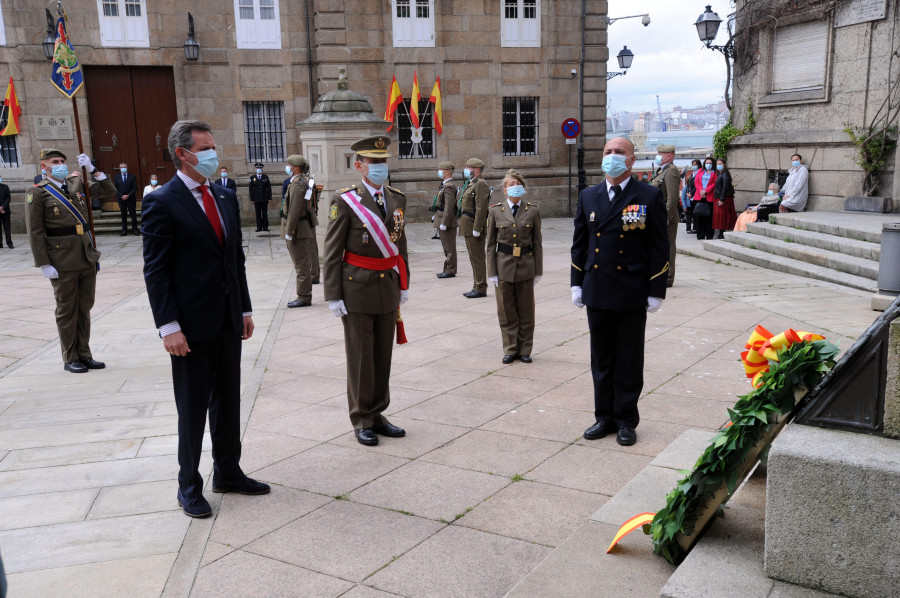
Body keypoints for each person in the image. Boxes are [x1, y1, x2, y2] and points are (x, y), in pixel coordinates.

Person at [142, 120, 268, 519]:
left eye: (213, 146)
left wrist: (244, 308)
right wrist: (169, 327)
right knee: (193, 408)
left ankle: (228, 472)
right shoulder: (162, 201)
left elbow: (236, 260)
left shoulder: (225, 196)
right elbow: (156, 271)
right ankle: (188, 485)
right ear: (183, 153)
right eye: (206, 147)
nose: (214, 154)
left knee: (228, 402)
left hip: (228, 319)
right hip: (190, 327)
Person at [570, 136, 669, 447]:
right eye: (607, 152)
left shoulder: (648, 195)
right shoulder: (589, 195)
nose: (612, 157)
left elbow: (658, 246)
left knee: (628, 359)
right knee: (601, 359)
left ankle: (626, 420)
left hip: (630, 290)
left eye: (619, 152)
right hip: (597, 289)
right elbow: (580, 244)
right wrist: (576, 283)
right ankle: (604, 417)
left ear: (631, 159)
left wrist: (657, 290)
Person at [323, 135, 409, 447]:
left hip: (387, 287)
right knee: (361, 359)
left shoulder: (397, 198)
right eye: (374, 162)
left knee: (382, 356)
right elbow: (332, 251)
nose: (380, 167)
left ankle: (377, 414)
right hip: (356, 290)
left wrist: (403, 282)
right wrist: (333, 294)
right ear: (359, 166)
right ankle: (361, 419)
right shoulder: (345, 201)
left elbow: (399, 244)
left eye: (383, 161)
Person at [25, 148, 116, 373]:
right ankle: (70, 357)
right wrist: (44, 263)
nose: (60, 165)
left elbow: (109, 190)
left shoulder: (76, 185)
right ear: (44, 167)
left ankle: (84, 354)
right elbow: (34, 231)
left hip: (85, 255)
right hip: (61, 260)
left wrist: (93, 170)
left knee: (84, 308)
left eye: (63, 161)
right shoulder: (37, 193)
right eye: (54, 161)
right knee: (67, 310)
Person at [486, 169, 542, 364]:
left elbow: (537, 243)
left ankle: (525, 349)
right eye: (511, 184)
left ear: (523, 189)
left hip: (526, 265)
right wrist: (491, 272)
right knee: (506, 311)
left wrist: (538, 271)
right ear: (504, 189)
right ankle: (510, 348)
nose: (514, 187)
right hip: (503, 266)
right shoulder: (495, 210)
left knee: (526, 311)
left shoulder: (533, 210)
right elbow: (490, 245)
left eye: (518, 184)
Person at [283, 154, 316, 308]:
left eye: (289, 165)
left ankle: (304, 296)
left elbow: (294, 211)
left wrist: (289, 232)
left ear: (295, 167)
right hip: (303, 228)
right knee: (302, 262)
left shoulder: (297, 184)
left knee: (301, 264)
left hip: (298, 230)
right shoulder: (304, 181)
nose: (287, 167)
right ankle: (304, 295)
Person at [458, 157, 491, 298]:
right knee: (473, 257)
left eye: (468, 166)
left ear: (476, 169)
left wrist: (477, 228)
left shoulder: (480, 184)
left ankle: (481, 287)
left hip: (473, 225)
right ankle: (476, 285)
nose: (466, 169)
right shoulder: (471, 183)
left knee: (477, 258)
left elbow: (481, 208)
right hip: (467, 224)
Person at [649, 144, 680, 287]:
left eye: (660, 153)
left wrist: (665, 217)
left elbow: (672, 199)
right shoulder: (662, 170)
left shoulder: (671, 171)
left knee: (668, 247)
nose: (658, 156)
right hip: (657, 215)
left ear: (669, 155)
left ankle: (668, 276)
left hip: (666, 217)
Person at [435, 160, 458, 278]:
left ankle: (451, 270)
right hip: (442, 219)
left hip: (447, 222)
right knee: (446, 247)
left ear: (447, 171)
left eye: (441, 170)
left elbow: (449, 207)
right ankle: (447, 268)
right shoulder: (444, 185)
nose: (439, 172)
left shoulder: (449, 187)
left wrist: (444, 222)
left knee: (449, 248)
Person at [693, 157, 717, 240]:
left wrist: (706, 191)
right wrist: (701, 191)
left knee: (709, 218)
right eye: (707, 163)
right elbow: (696, 182)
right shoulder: (700, 171)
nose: (708, 165)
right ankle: (700, 235)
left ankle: (709, 235)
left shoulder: (715, 173)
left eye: (710, 163)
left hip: (709, 196)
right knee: (699, 217)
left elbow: (714, 183)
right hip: (699, 196)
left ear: (713, 164)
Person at [712, 158, 737, 238]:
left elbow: (725, 188)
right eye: (717, 164)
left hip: (724, 198)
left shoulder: (725, 174)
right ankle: (720, 232)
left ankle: (722, 233)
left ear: (724, 165)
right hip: (719, 197)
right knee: (719, 216)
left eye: (720, 164)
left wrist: (722, 199)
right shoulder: (720, 174)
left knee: (723, 216)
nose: (718, 165)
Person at [114, 161, 139, 236]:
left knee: (133, 214)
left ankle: (135, 229)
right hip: (121, 199)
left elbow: (135, 188)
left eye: (124, 167)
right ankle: (124, 230)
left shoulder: (132, 176)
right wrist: (121, 196)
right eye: (122, 167)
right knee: (123, 214)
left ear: (127, 168)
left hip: (131, 198)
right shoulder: (116, 177)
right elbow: (115, 188)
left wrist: (128, 195)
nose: (123, 168)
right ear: (119, 168)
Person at [249, 162, 272, 232]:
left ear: (262, 169)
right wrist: (252, 199)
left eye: (260, 168)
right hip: (256, 199)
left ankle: (265, 227)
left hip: (264, 198)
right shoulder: (252, 178)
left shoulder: (265, 177)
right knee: (258, 213)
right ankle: (259, 227)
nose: (259, 169)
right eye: (257, 168)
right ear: (255, 169)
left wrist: (269, 198)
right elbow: (251, 189)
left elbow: (269, 188)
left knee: (265, 213)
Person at [0, 176, 12, 248]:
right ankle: (0, 243)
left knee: (7, 227)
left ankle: (9, 242)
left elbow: (8, 198)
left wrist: (2, 207)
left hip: (5, 211)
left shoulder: (5, 187)